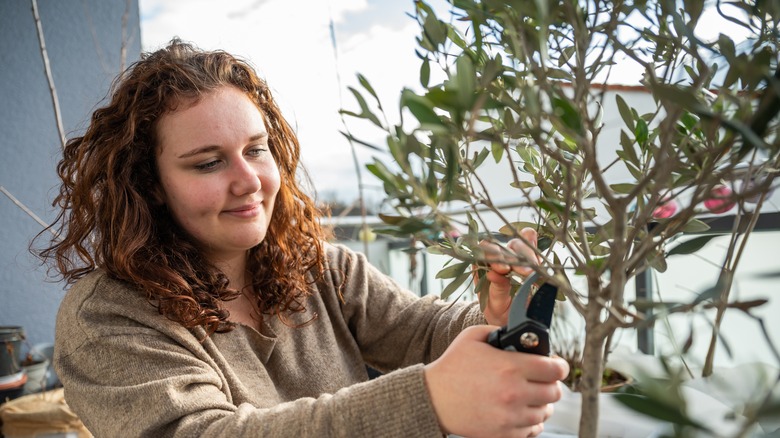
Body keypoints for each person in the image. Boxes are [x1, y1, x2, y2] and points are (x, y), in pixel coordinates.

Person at [38, 39, 568, 437]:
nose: (248, 181)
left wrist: (495, 316)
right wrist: (427, 399)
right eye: (208, 163)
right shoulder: (107, 319)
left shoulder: (321, 268)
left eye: (256, 149)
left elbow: (424, 332)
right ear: (150, 185)